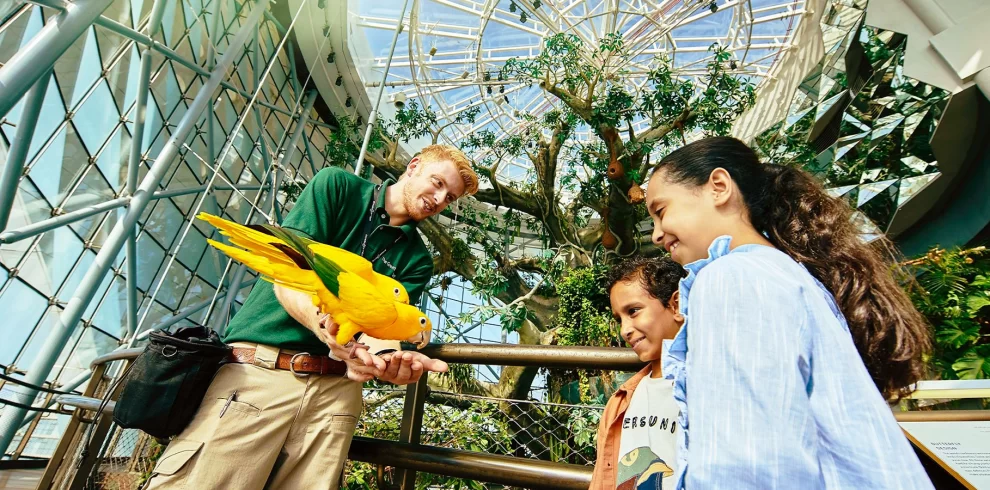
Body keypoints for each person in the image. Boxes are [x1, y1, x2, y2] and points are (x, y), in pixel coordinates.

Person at [146, 145, 479, 489]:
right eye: (437, 183)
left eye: (450, 197)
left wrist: (383, 359)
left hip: (336, 395)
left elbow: (382, 328)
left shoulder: (418, 260)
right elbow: (285, 269)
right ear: (413, 166)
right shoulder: (338, 187)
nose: (439, 199)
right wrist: (324, 327)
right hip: (261, 373)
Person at [644, 136, 932, 489]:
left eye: (661, 211)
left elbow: (752, 467)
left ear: (718, 187)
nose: (657, 234)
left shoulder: (733, 278)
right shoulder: (781, 273)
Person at [591, 256, 686, 490]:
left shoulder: (707, 389)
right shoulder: (620, 402)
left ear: (676, 305)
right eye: (619, 319)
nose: (625, 330)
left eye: (633, 311)